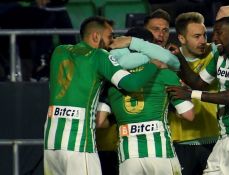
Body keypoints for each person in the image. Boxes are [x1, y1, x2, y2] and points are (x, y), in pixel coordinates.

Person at [43, 16, 163, 175]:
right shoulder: (100, 56)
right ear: (95, 36)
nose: (112, 42)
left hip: (51, 143)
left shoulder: (59, 52)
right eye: (109, 37)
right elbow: (132, 84)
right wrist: (153, 65)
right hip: (78, 144)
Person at [167, 14, 229, 175]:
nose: (214, 38)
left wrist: (191, 94)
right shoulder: (220, 56)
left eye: (219, 32)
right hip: (223, 137)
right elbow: (198, 82)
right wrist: (179, 57)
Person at [98, 27, 194, 175]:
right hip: (161, 152)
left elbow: (100, 122)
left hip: (129, 156)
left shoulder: (114, 78)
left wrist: (123, 118)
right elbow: (189, 115)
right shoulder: (165, 73)